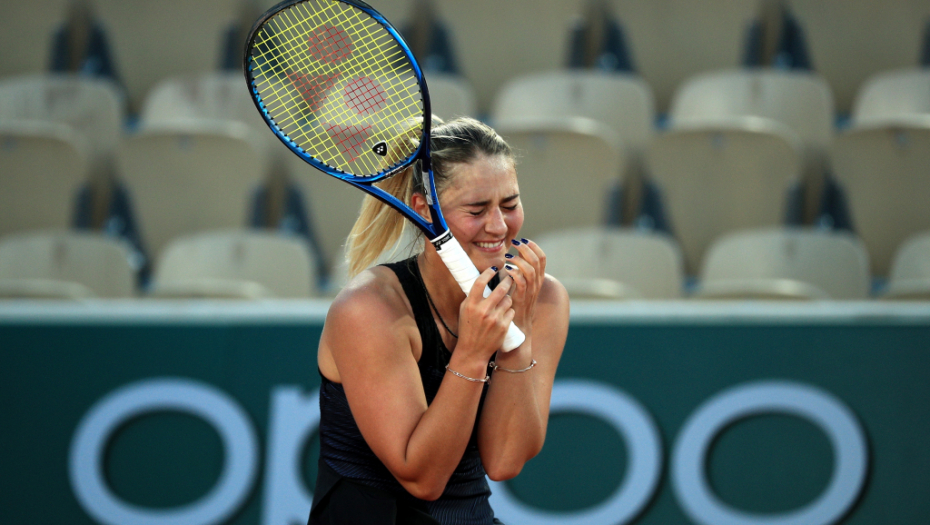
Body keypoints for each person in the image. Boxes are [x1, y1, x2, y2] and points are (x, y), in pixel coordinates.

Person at [308, 117, 570, 525]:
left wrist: (519, 337)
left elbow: (504, 461)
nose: (499, 226)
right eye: (477, 209)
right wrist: (473, 350)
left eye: (510, 204)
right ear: (424, 209)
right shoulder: (368, 309)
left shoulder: (543, 298)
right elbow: (422, 478)